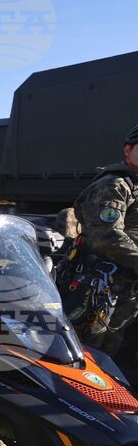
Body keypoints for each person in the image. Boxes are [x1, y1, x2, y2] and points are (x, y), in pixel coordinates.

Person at [67, 123, 138, 355]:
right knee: (86, 350)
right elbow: (106, 237)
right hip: (101, 285)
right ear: (128, 150)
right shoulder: (115, 185)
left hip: (127, 285)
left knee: (112, 351)